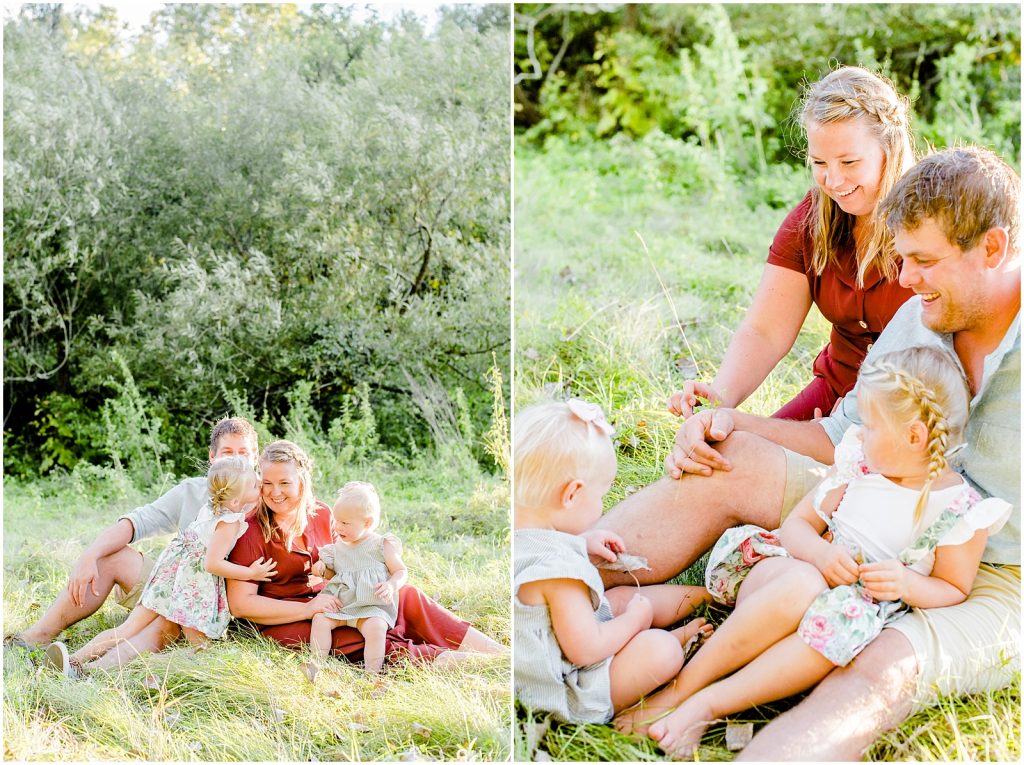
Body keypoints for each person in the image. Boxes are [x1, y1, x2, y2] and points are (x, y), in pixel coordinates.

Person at [595, 146, 1019, 760]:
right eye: (903, 260)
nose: (904, 280)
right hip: (873, 507)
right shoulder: (917, 319)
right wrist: (728, 420)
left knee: (879, 672)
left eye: (924, 261)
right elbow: (839, 436)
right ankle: (555, 595)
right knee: (729, 458)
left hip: (995, 575)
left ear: (994, 249)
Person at [617, 347, 1010, 756]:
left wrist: (906, 583)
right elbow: (797, 527)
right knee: (804, 585)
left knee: (843, 620)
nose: (862, 434)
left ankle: (708, 704)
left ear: (914, 436)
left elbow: (952, 587)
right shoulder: (861, 465)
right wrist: (821, 558)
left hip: (847, 610)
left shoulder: (959, 510)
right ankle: (685, 685)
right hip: (790, 575)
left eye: (873, 426)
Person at [669, 66, 914, 422]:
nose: (833, 179)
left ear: (888, 149)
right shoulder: (810, 222)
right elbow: (765, 330)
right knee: (729, 452)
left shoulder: (931, 218)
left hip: (910, 408)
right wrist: (720, 398)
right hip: (836, 391)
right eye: (819, 162)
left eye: (849, 162)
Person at [513, 399, 712, 723]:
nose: (602, 504)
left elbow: (542, 546)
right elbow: (587, 649)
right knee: (658, 648)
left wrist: (581, 543)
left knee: (616, 600)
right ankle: (668, 644)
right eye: (600, 495)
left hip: (555, 647)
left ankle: (707, 595)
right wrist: (637, 620)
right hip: (565, 691)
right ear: (571, 494)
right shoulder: (559, 576)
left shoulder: (516, 537)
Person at [226, 440, 505, 665]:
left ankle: (499, 654)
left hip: (336, 598)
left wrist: (384, 561)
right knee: (368, 637)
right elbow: (242, 605)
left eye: (284, 482)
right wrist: (309, 608)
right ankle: (473, 664)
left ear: (302, 480)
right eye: (267, 483)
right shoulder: (249, 531)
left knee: (406, 596)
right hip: (289, 618)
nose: (275, 492)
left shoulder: (322, 513)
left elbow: (354, 553)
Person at [5, 417, 260, 655]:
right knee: (111, 557)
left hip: (222, 606)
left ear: (256, 458)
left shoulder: (266, 499)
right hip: (181, 586)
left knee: (161, 624)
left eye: (243, 453)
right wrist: (89, 556)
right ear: (212, 458)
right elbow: (137, 522)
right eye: (228, 453)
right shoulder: (192, 491)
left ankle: (90, 669)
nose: (235, 461)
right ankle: (36, 637)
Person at [44, 457, 278, 677]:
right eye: (255, 486)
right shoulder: (229, 522)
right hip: (190, 588)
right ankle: (88, 669)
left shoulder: (213, 506)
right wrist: (251, 573)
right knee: (202, 648)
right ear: (236, 501)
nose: (261, 487)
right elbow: (212, 563)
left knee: (127, 629)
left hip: (168, 577)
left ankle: (74, 661)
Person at [303, 481, 408, 680]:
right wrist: (321, 569)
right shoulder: (337, 549)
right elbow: (334, 575)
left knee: (376, 628)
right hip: (342, 605)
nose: (337, 527)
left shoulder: (381, 545)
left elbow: (401, 571)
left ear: (367, 523)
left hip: (371, 607)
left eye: (345, 523)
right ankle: (316, 665)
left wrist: (391, 585)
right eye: (336, 521)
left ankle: (371, 675)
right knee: (320, 619)